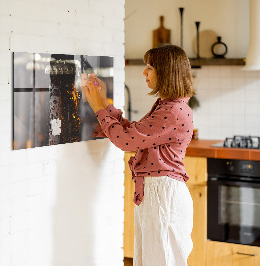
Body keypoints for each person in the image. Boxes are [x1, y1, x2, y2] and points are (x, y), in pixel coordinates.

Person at [83, 44, 195, 266]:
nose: (144, 72)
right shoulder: (168, 106)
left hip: (163, 196)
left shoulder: (172, 111)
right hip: (158, 193)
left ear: (166, 72)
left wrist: (98, 107)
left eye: (150, 67)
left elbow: (126, 141)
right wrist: (105, 104)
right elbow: (134, 133)